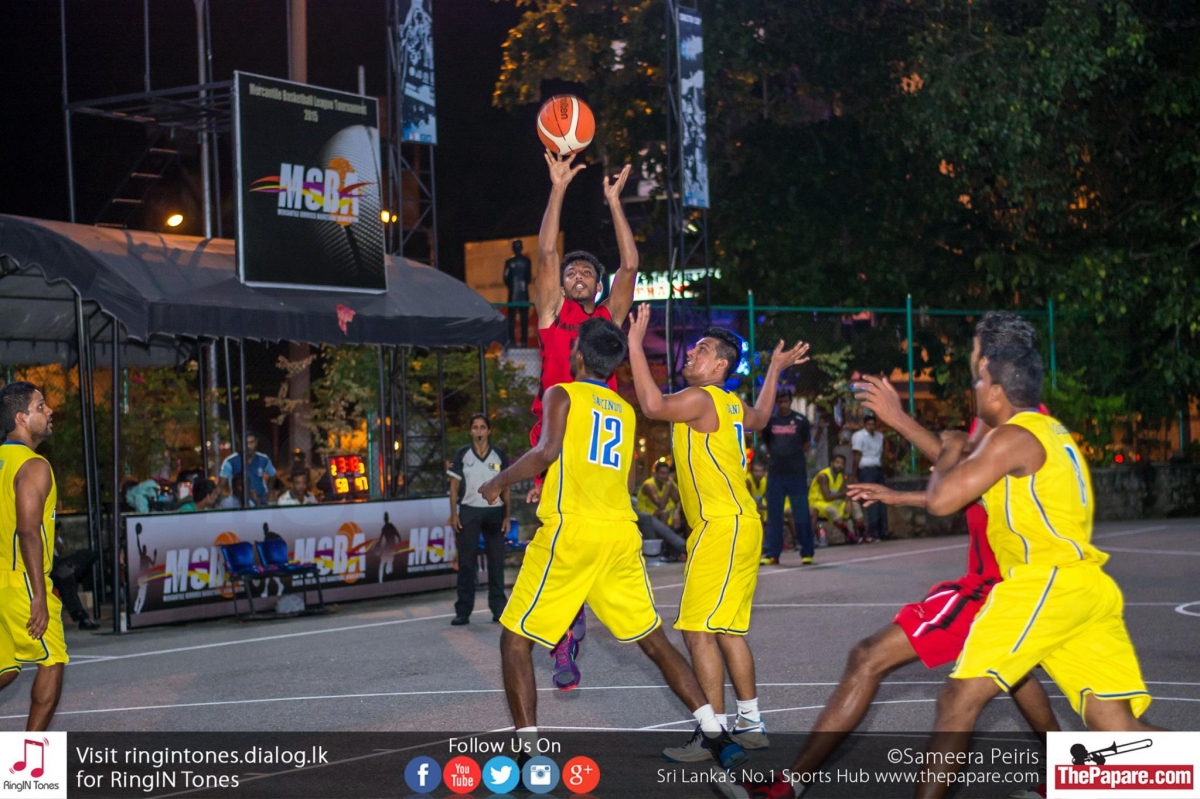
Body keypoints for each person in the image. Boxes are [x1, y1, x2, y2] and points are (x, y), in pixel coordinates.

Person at [722, 376, 1060, 799]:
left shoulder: (1020, 430)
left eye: (981, 371)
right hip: (1013, 587)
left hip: (994, 590)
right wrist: (901, 495)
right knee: (1017, 675)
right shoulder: (1012, 427)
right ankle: (1067, 777)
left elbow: (958, 470)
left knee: (870, 658)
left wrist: (900, 420)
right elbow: (970, 481)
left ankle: (789, 786)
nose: (974, 380)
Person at [478, 318, 748, 769]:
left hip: (572, 532)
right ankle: (717, 735)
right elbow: (617, 473)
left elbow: (546, 452)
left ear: (578, 355)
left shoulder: (562, 393)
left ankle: (527, 753)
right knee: (654, 641)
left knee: (515, 640)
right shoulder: (624, 409)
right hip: (620, 534)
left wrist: (498, 482)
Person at [910, 312, 1159, 797]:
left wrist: (950, 451)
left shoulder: (1009, 438)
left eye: (977, 379)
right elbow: (980, 491)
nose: (974, 388)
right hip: (1085, 590)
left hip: (1044, 583)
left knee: (958, 698)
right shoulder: (1052, 433)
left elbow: (941, 501)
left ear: (995, 390)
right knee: (1118, 729)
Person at [627, 304, 810, 760]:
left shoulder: (702, 398)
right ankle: (750, 724)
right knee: (725, 630)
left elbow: (652, 405)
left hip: (722, 526)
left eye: (703, 349)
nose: (692, 352)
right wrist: (774, 369)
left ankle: (714, 736)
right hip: (737, 523)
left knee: (696, 630)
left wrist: (633, 343)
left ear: (720, 366)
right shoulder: (729, 404)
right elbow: (762, 418)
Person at [526, 151, 641, 689]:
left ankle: (584, 621)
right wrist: (557, 188)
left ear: (597, 286)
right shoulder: (552, 316)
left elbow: (630, 267)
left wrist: (614, 202)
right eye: (571, 271)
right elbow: (546, 251)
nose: (576, 274)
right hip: (556, 439)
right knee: (561, 542)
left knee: (594, 543)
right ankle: (566, 636)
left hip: (601, 444)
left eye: (587, 272)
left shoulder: (605, 323)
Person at [0, 382, 67, 731]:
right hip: (20, 580)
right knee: (52, 662)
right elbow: (28, 531)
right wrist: (38, 594)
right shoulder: (33, 466)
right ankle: (28, 764)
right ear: (21, 418)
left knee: (7, 668)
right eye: (41, 406)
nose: (49, 410)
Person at [446, 413, 511, 625]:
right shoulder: (463, 454)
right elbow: (454, 487)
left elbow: (506, 487)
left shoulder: (498, 455)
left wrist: (507, 515)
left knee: (496, 562)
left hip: (494, 512)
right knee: (466, 563)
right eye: (475, 427)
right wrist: (454, 514)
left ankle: (499, 608)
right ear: (470, 431)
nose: (479, 431)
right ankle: (463, 610)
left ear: (489, 431)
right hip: (469, 511)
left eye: (483, 427)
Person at [760, 388, 815, 565]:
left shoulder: (801, 421)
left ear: (790, 402)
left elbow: (806, 444)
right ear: (776, 403)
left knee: (801, 513)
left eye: (785, 401)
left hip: (796, 474)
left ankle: (807, 552)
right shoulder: (770, 421)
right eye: (780, 402)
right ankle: (772, 553)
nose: (783, 405)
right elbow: (768, 443)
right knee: (774, 515)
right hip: (776, 474)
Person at [808, 454, 868, 545]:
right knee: (832, 510)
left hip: (832, 501)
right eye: (837, 462)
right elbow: (827, 497)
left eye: (842, 463)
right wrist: (844, 494)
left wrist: (848, 501)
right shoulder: (823, 476)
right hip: (817, 503)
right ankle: (850, 536)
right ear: (831, 463)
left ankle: (863, 535)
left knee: (855, 505)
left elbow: (844, 492)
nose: (840, 465)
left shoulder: (841, 476)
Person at [851, 412, 889, 540]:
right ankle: (874, 532)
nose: (871, 427)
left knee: (882, 499)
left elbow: (882, 454)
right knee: (871, 500)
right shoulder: (859, 436)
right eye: (868, 424)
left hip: (877, 468)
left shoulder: (879, 436)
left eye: (873, 424)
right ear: (864, 424)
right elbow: (857, 455)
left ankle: (884, 531)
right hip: (866, 469)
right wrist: (854, 474)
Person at [218, 431, 276, 507]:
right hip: (239, 504)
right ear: (241, 443)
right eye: (246, 443)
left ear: (256, 442)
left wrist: (268, 493)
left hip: (261, 502)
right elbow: (221, 485)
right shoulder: (230, 461)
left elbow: (273, 475)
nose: (248, 446)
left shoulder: (264, 459)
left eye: (251, 442)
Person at [51, 541, 100, 630]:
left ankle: (69, 568)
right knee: (65, 578)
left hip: (57, 565)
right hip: (49, 568)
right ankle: (82, 616)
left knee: (88, 554)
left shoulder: (56, 541)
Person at [503, 239, 533, 347]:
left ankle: (512, 341)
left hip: (513, 294)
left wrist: (512, 287)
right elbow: (528, 277)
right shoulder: (527, 261)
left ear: (513, 249)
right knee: (524, 319)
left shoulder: (509, 262)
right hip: (524, 293)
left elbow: (505, 278)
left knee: (511, 319)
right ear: (521, 248)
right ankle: (524, 342)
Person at [637, 460, 682, 530]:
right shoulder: (649, 485)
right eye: (662, 473)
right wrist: (668, 487)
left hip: (664, 515)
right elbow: (661, 506)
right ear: (656, 473)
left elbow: (679, 500)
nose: (665, 476)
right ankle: (664, 535)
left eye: (667, 473)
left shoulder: (669, 482)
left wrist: (676, 513)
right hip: (646, 515)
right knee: (664, 513)